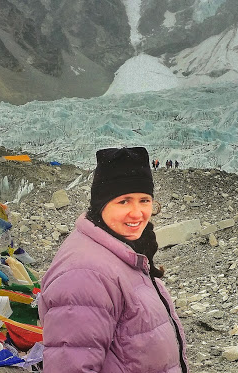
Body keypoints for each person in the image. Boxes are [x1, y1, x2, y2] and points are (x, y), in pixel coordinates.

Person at [39, 146, 189, 373]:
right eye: (124, 201)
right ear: (101, 204)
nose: (137, 213)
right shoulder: (85, 275)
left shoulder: (123, 250)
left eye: (144, 200)